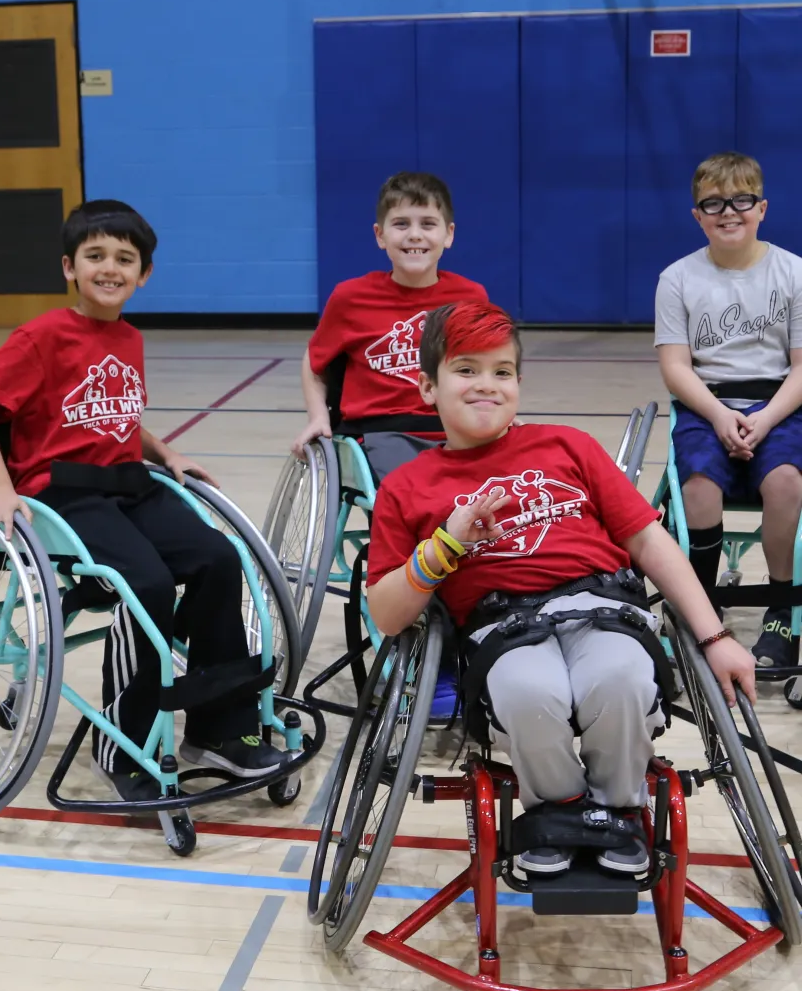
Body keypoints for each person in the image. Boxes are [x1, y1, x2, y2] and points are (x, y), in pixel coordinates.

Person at [366, 299, 756, 877]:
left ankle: (619, 809)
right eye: (466, 369)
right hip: (502, 626)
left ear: (519, 384)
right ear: (427, 387)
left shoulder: (566, 446)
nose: (486, 385)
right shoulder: (407, 486)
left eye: (502, 372)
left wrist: (716, 635)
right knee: (529, 690)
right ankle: (559, 811)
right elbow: (387, 615)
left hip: (602, 605)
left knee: (620, 676)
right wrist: (445, 546)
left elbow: (651, 544)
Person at [0, 198, 289, 803]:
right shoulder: (42, 336)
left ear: (144, 274)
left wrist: (164, 452)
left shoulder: (128, 337)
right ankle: (123, 742)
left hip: (128, 484)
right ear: (69, 267)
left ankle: (218, 730)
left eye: (125, 259)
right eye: (96, 256)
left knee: (219, 558)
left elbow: (113, 416)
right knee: (148, 583)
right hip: (61, 493)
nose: (110, 268)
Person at [655, 152, 802, 669]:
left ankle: (782, 609)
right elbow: (675, 368)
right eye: (713, 204)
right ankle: (704, 604)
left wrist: (764, 419)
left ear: (761, 208)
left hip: (779, 402)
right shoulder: (677, 278)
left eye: (741, 200)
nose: (728, 212)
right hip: (705, 401)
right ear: (698, 216)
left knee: (786, 482)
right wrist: (719, 414)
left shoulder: (793, 272)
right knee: (698, 486)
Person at [294, 171, 488, 483]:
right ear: (380, 235)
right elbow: (315, 361)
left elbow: (485, 367)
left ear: (448, 234)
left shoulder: (471, 297)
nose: (414, 235)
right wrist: (318, 417)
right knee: (420, 494)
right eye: (401, 224)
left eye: (427, 224)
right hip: (380, 434)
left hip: (456, 428)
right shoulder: (351, 297)